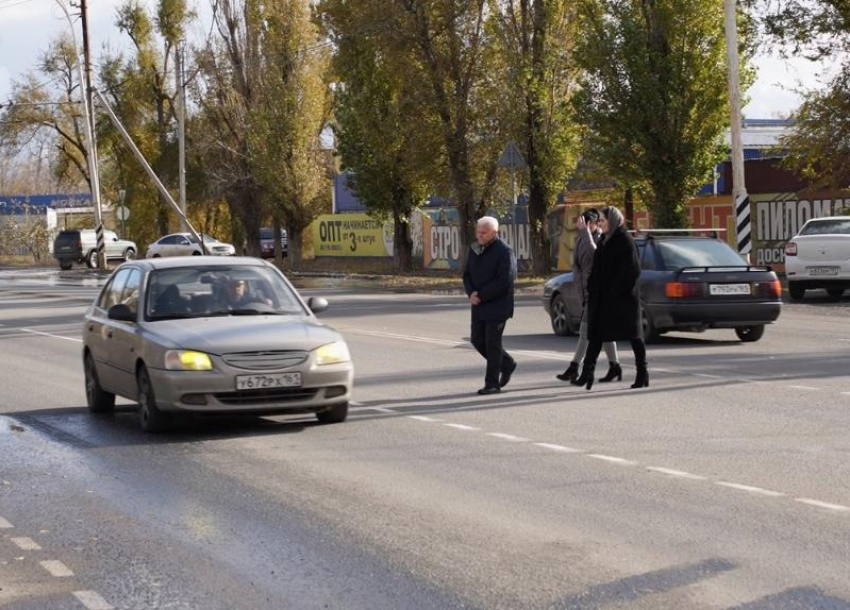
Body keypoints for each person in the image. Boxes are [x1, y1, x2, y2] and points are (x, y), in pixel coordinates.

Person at [577, 206, 648, 390]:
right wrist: (592, 288)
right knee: (596, 335)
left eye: (603, 221)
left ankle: (642, 373)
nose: (600, 224)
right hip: (602, 299)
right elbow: (597, 268)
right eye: (599, 221)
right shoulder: (604, 241)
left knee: (634, 337)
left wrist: (613, 292)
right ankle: (587, 373)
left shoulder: (625, 241)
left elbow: (632, 271)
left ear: (614, 221)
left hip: (623, 300)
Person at [556, 209, 621, 384]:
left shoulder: (602, 239)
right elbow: (578, 265)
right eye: (581, 224)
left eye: (586, 224)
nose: (582, 227)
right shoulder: (580, 239)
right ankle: (615, 366)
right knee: (604, 333)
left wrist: (585, 233)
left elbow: (596, 256)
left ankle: (574, 368)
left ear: (595, 224)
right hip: (586, 292)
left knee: (585, 332)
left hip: (599, 294)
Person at [463, 216, 517, 395]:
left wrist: (482, 295)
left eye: (484, 233)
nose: (480, 235)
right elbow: (467, 275)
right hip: (478, 304)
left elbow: (504, 281)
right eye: (478, 231)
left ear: (495, 232)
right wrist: (471, 293)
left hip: (498, 305)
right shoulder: (475, 249)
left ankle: (492, 384)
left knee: (492, 344)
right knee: (477, 340)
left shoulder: (505, 252)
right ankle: (507, 364)